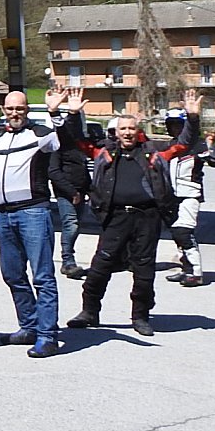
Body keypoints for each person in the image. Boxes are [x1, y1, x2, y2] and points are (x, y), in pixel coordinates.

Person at [67, 90, 200, 337]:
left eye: (131, 128)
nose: (127, 132)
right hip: (115, 218)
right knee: (100, 266)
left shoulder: (155, 152)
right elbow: (77, 141)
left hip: (147, 218)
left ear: (138, 131)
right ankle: (89, 312)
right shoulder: (104, 152)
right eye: (123, 129)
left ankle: (140, 316)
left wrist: (192, 118)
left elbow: (184, 143)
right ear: (116, 132)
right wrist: (73, 114)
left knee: (144, 270)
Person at [0, 86, 82, 358]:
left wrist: (55, 112)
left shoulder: (40, 134)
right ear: (3, 110)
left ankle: (47, 336)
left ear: (27, 110)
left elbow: (63, 142)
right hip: (4, 216)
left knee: (43, 277)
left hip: (33, 213)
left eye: (20, 109)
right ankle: (29, 327)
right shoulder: (0, 141)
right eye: (10, 109)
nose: (15, 113)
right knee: (12, 274)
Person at [166, 116, 215, 287]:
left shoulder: (198, 145)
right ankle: (186, 268)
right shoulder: (171, 145)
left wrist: (211, 146)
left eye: (179, 125)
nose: (175, 128)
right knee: (176, 234)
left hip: (190, 194)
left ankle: (196, 273)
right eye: (171, 125)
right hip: (171, 196)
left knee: (184, 232)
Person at [48, 129, 93, 280]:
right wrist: (72, 192)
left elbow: (83, 171)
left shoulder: (77, 147)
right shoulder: (57, 147)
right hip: (66, 193)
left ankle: (69, 259)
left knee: (76, 225)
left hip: (80, 192)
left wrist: (90, 191)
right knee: (71, 225)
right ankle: (68, 261)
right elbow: (54, 172)